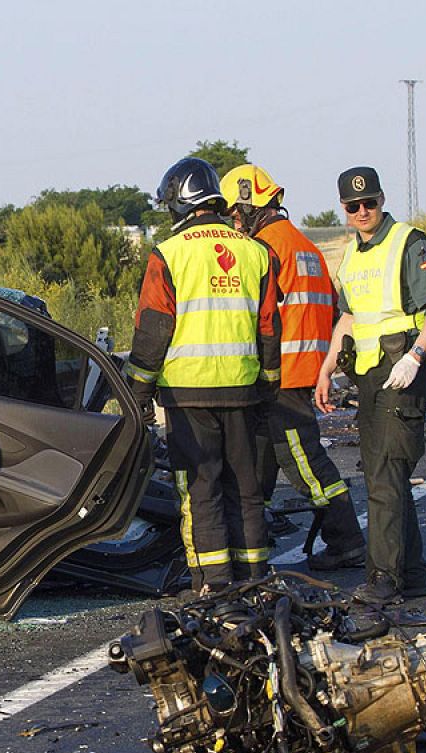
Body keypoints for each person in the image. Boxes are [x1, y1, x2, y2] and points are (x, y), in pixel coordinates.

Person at [124, 157, 281, 591]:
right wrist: (269, 388)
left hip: (187, 395)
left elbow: (153, 331)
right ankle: (255, 578)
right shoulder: (255, 253)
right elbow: (269, 329)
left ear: (179, 202)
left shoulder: (169, 255)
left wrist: (135, 391)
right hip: (244, 392)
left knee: (200, 491)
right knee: (245, 489)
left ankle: (213, 582)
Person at [314, 167, 426, 605]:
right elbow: (351, 317)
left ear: (381, 200)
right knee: (382, 475)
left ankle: (382, 579)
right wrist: (327, 366)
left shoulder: (408, 243)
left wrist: (418, 354)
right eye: (353, 207)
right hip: (371, 375)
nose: (362, 212)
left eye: (368, 203)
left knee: (387, 475)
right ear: (343, 208)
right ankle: (411, 576)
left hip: (402, 367)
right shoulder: (352, 256)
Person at [218, 164, 366, 570]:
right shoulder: (304, 246)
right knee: (260, 458)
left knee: (304, 462)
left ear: (248, 207)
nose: (232, 224)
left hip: (282, 372)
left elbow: (252, 313)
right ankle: (253, 541)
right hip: (303, 368)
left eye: (233, 214)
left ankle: (346, 540)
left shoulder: (264, 249)